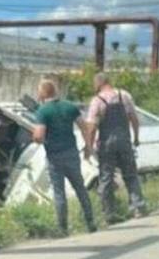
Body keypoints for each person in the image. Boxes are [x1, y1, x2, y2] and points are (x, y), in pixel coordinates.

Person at [32, 79, 97, 235]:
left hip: (55, 157)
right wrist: (88, 148)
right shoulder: (70, 107)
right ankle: (91, 222)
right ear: (55, 91)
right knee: (80, 188)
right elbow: (85, 127)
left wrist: (34, 135)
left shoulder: (42, 111)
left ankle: (63, 229)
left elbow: (39, 136)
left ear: (42, 93)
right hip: (71, 153)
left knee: (59, 192)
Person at [84, 72, 147, 221]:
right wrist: (136, 138)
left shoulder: (97, 101)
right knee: (130, 174)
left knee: (106, 177)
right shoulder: (124, 95)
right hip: (124, 141)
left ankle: (109, 213)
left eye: (94, 84)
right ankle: (138, 208)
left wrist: (89, 146)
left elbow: (92, 127)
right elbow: (134, 119)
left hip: (107, 144)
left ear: (99, 83)